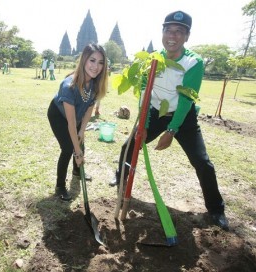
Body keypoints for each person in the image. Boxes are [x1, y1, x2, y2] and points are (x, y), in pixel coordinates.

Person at [109, 11, 229, 230]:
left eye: (179, 31)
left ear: (187, 36)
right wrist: (144, 125)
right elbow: (145, 93)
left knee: (202, 162)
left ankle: (216, 210)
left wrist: (172, 131)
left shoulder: (193, 62)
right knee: (129, 146)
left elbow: (186, 99)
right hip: (154, 112)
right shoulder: (153, 59)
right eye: (168, 30)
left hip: (183, 116)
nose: (172, 36)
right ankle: (120, 178)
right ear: (163, 33)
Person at [47, 44, 108, 201]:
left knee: (80, 141)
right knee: (68, 147)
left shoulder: (95, 83)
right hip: (59, 115)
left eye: (101, 62)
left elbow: (89, 109)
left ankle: (77, 171)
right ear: (84, 60)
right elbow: (71, 123)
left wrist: (82, 131)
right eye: (92, 60)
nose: (96, 67)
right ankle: (60, 186)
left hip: (78, 114)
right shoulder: (69, 86)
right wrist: (77, 152)